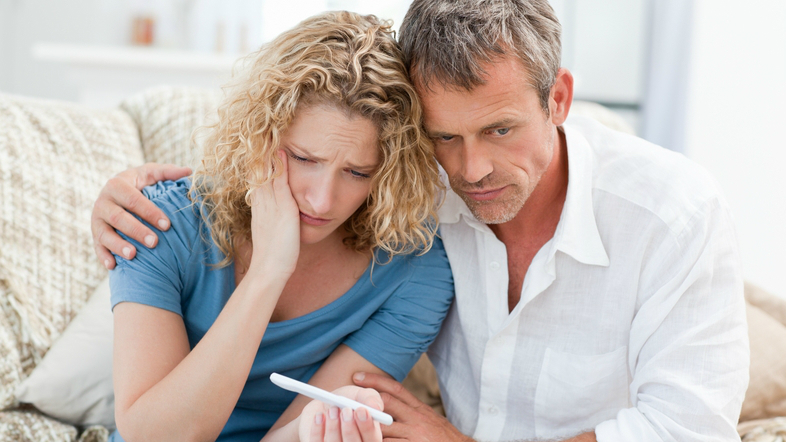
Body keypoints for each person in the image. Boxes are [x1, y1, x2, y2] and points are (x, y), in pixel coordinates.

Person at [93, 1, 750, 441]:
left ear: (559, 99)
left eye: (500, 129)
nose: (472, 170)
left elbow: (689, 428)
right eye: (445, 137)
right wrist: (133, 195)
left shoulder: (671, 213)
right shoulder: (417, 192)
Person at [99, 11, 453, 442]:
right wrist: (268, 271)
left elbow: (298, 433)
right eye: (304, 159)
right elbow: (153, 437)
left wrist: (309, 428)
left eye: (357, 172)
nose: (322, 200)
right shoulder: (160, 222)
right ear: (259, 136)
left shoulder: (414, 271)